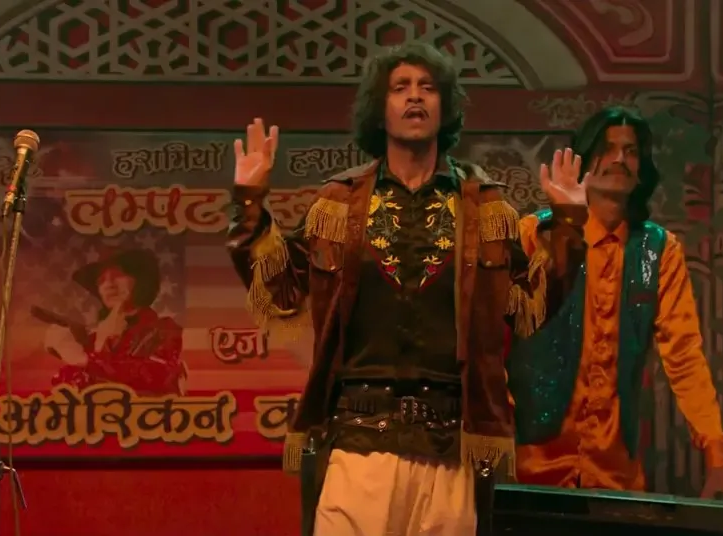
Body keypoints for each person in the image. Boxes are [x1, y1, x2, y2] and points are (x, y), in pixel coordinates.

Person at [226, 41, 589, 535]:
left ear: (445, 106)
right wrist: (250, 202)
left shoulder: (485, 207)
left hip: (450, 446)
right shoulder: (337, 203)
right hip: (358, 443)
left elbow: (533, 306)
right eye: (400, 87)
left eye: (427, 87)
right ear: (380, 108)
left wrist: (569, 224)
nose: (415, 96)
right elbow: (280, 289)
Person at [507, 106, 723, 501]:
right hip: (532, 466)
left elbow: (684, 357)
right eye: (606, 149)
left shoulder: (658, 250)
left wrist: (719, 458)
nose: (619, 160)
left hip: (614, 474)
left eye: (630, 151)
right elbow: (495, 339)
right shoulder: (535, 233)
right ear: (582, 159)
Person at [42, 248, 187, 397]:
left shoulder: (164, 329)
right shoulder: (92, 339)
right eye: (101, 281)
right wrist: (68, 351)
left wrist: (85, 360)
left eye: (118, 275)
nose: (108, 285)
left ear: (140, 280)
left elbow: (159, 377)